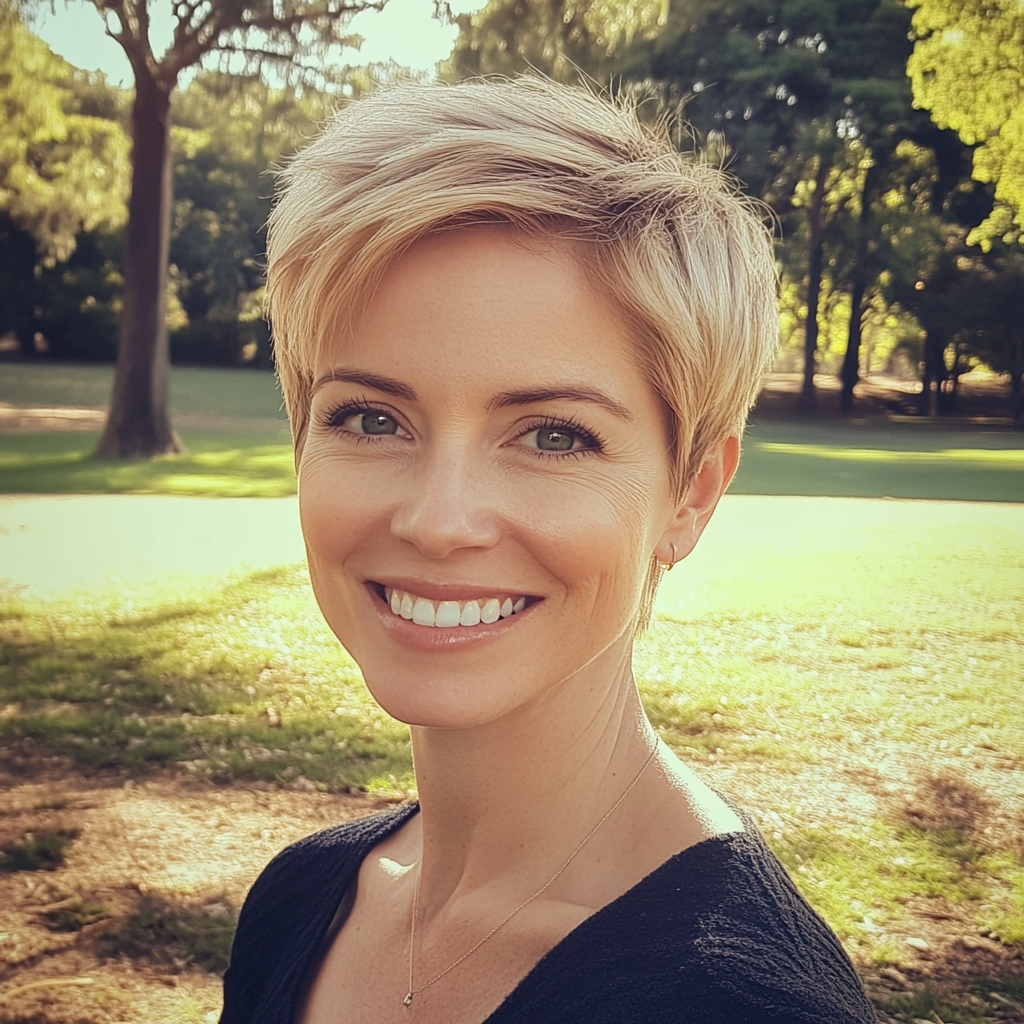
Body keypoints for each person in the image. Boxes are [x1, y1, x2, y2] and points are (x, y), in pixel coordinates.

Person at [220, 77, 876, 1024]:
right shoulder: (297, 900)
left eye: (554, 435)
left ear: (691, 493)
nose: (440, 520)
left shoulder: (743, 1004)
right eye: (370, 417)